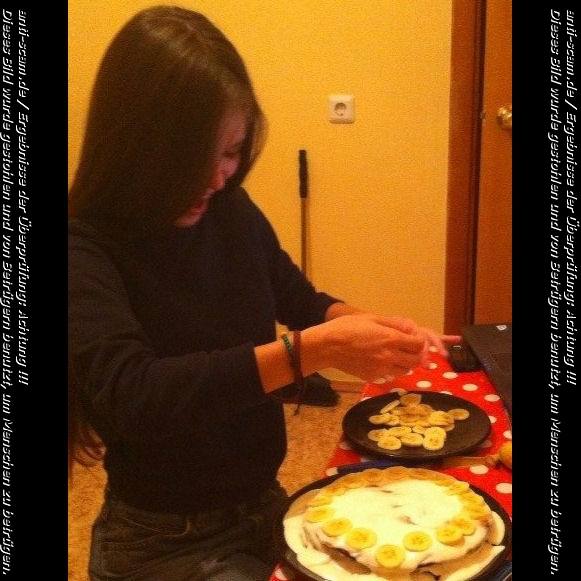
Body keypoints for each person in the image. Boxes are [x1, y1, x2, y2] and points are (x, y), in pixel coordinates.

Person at [68, 6, 459, 581]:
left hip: (259, 501)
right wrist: (314, 351)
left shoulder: (227, 205)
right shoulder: (84, 247)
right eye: (193, 158)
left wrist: (368, 325)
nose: (217, 178)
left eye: (231, 152)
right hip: (162, 541)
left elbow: (293, 295)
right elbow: (136, 395)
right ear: (132, 148)